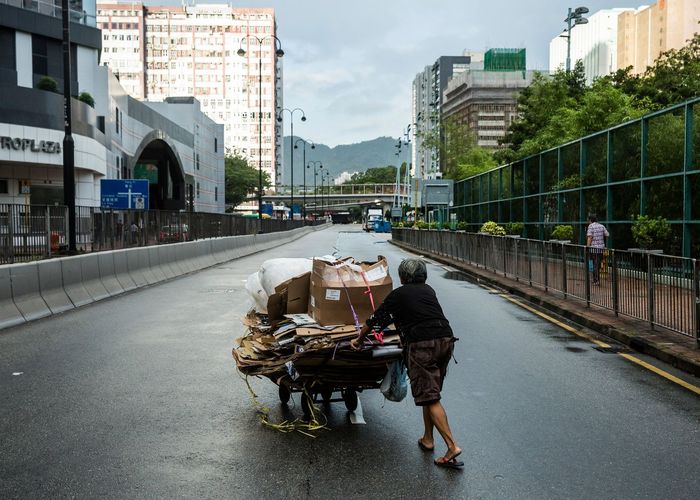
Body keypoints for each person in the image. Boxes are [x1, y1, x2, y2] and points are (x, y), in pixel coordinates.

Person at [350, 258, 463, 469]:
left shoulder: (398, 295)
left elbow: (375, 320)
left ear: (402, 277)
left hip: (423, 346)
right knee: (430, 394)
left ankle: (452, 446)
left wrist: (358, 339)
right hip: (445, 342)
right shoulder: (428, 290)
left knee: (429, 397)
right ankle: (428, 438)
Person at [586, 214, 609, 284]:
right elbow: (607, 234)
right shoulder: (601, 226)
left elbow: (590, 237)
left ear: (590, 220)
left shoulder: (590, 226)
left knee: (594, 264)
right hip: (601, 249)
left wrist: (587, 247)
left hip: (593, 249)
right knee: (597, 264)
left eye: (588, 220)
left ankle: (596, 280)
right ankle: (596, 280)